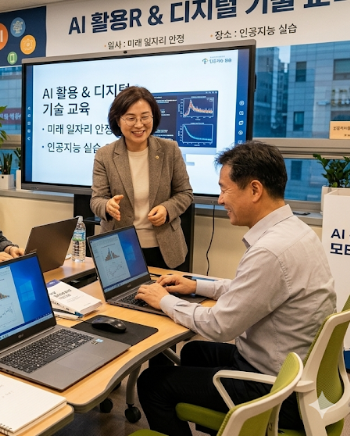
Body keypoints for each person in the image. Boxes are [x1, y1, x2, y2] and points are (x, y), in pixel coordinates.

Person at [134, 141, 336, 435]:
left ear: (255, 190)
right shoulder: (296, 232)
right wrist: (196, 285)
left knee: (152, 384)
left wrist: (163, 299)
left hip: (276, 391)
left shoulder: (270, 251)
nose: (220, 200)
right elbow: (252, 291)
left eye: (225, 189)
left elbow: (219, 326)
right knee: (193, 354)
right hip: (293, 372)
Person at [90, 86, 193, 269]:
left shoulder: (170, 150)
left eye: (145, 117)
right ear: (118, 120)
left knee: (167, 297)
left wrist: (167, 209)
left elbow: (185, 193)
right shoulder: (105, 155)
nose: (139, 124)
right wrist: (107, 206)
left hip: (164, 249)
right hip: (119, 248)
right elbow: (96, 200)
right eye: (131, 118)